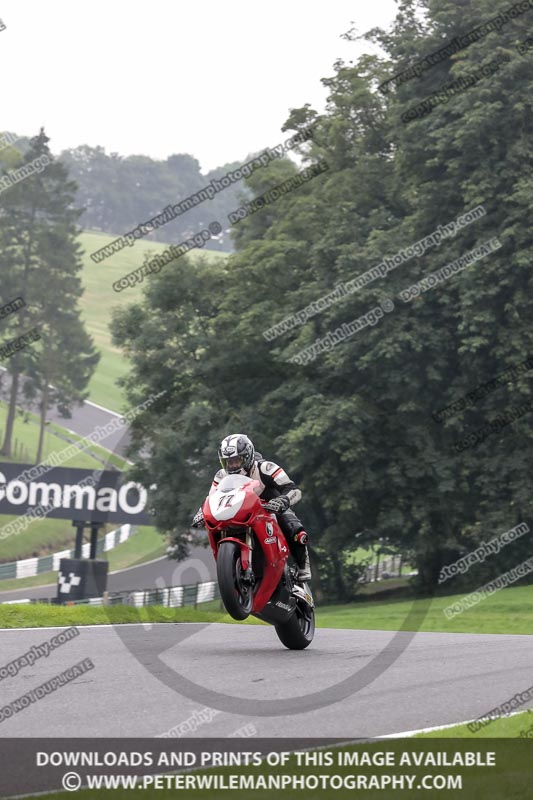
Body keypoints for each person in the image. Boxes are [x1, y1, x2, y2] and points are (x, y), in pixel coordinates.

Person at [192, 433, 311, 581]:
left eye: (236, 460)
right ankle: (233, 568)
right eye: (227, 462)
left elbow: (294, 490)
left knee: (295, 529)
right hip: (239, 511)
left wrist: (283, 501)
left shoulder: (266, 468)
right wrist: (202, 512)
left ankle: (303, 566)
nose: (232, 465)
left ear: (248, 456)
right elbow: (211, 498)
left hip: (270, 507)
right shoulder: (221, 475)